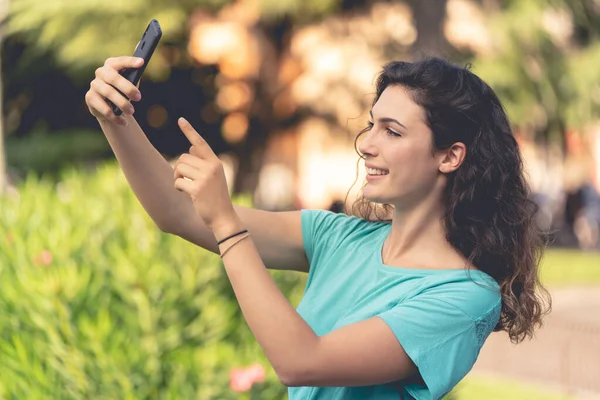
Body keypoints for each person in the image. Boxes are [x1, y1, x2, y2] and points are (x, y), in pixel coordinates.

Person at [85, 56, 551, 399]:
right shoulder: (338, 238)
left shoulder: (464, 297)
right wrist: (117, 120)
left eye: (392, 131)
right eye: (371, 126)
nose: (366, 144)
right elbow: (177, 212)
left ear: (450, 155)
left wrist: (228, 222)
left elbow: (301, 362)